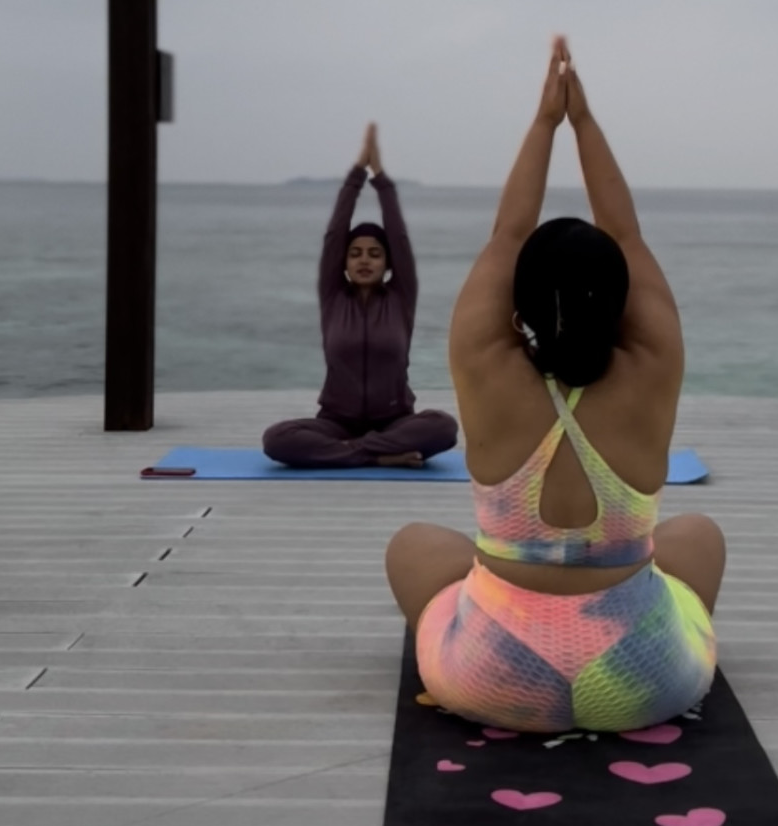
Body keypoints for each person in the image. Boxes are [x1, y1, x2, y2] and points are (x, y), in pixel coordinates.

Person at [385, 39, 726, 733]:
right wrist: (585, 123)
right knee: (698, 537)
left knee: (417, 546)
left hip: (494, 677)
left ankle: (472, 676)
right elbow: (625, 234)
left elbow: (508, 235)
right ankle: (640, 667)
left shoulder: (485, 362)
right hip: (645, 682)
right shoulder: (653, 365)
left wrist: (544, 121)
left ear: (518, 307)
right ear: (621, 300)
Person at [262, 124, 458, 470]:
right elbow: (335, 233)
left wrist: (380, 177)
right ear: (345, 262)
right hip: (336, 421)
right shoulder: (334, 296)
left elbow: (397, 235)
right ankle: (380, 457)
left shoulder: (400, 297)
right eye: (355, 254)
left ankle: (350, 453)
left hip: (395, 421)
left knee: (444, 427)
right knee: (276, 439)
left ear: (387, 262)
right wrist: (356, 175)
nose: (364, 259)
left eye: (374, 253)